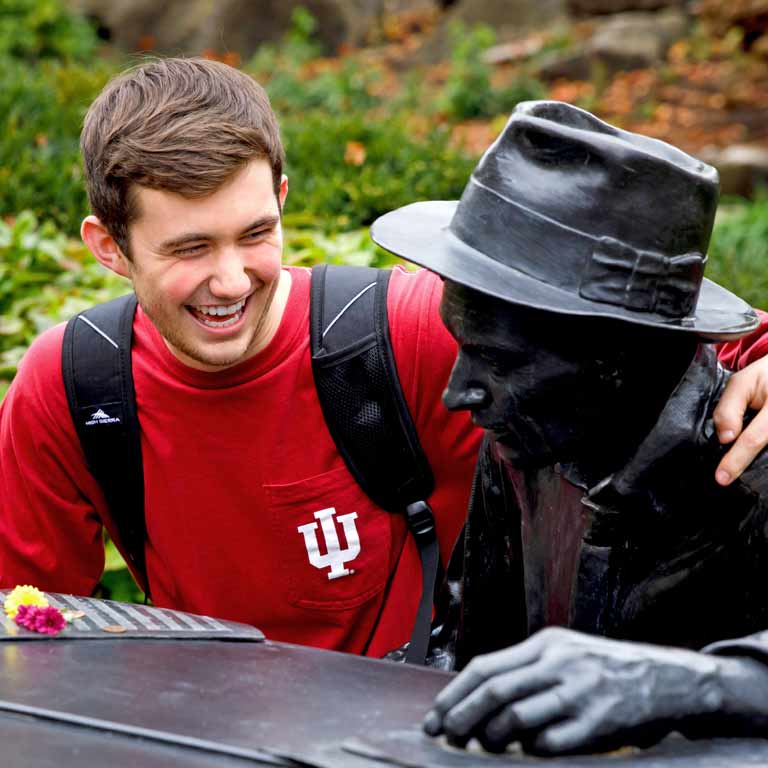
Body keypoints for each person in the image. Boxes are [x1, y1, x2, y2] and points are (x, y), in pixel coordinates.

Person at [0, 58, 764, 659]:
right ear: (110, 246)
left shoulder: (401, 333)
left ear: (284, 197)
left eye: (255, 233)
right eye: (189, 248)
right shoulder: (74, 387)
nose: (230, 280)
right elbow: (24, 621)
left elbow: (663, 333)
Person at [370, 100, 768, 753]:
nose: (456, 392)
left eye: (500, 362)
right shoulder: (525, 445)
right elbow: (473, 647)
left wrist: (689, 685)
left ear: (620, 359)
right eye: (462, 347)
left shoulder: (753, 471)